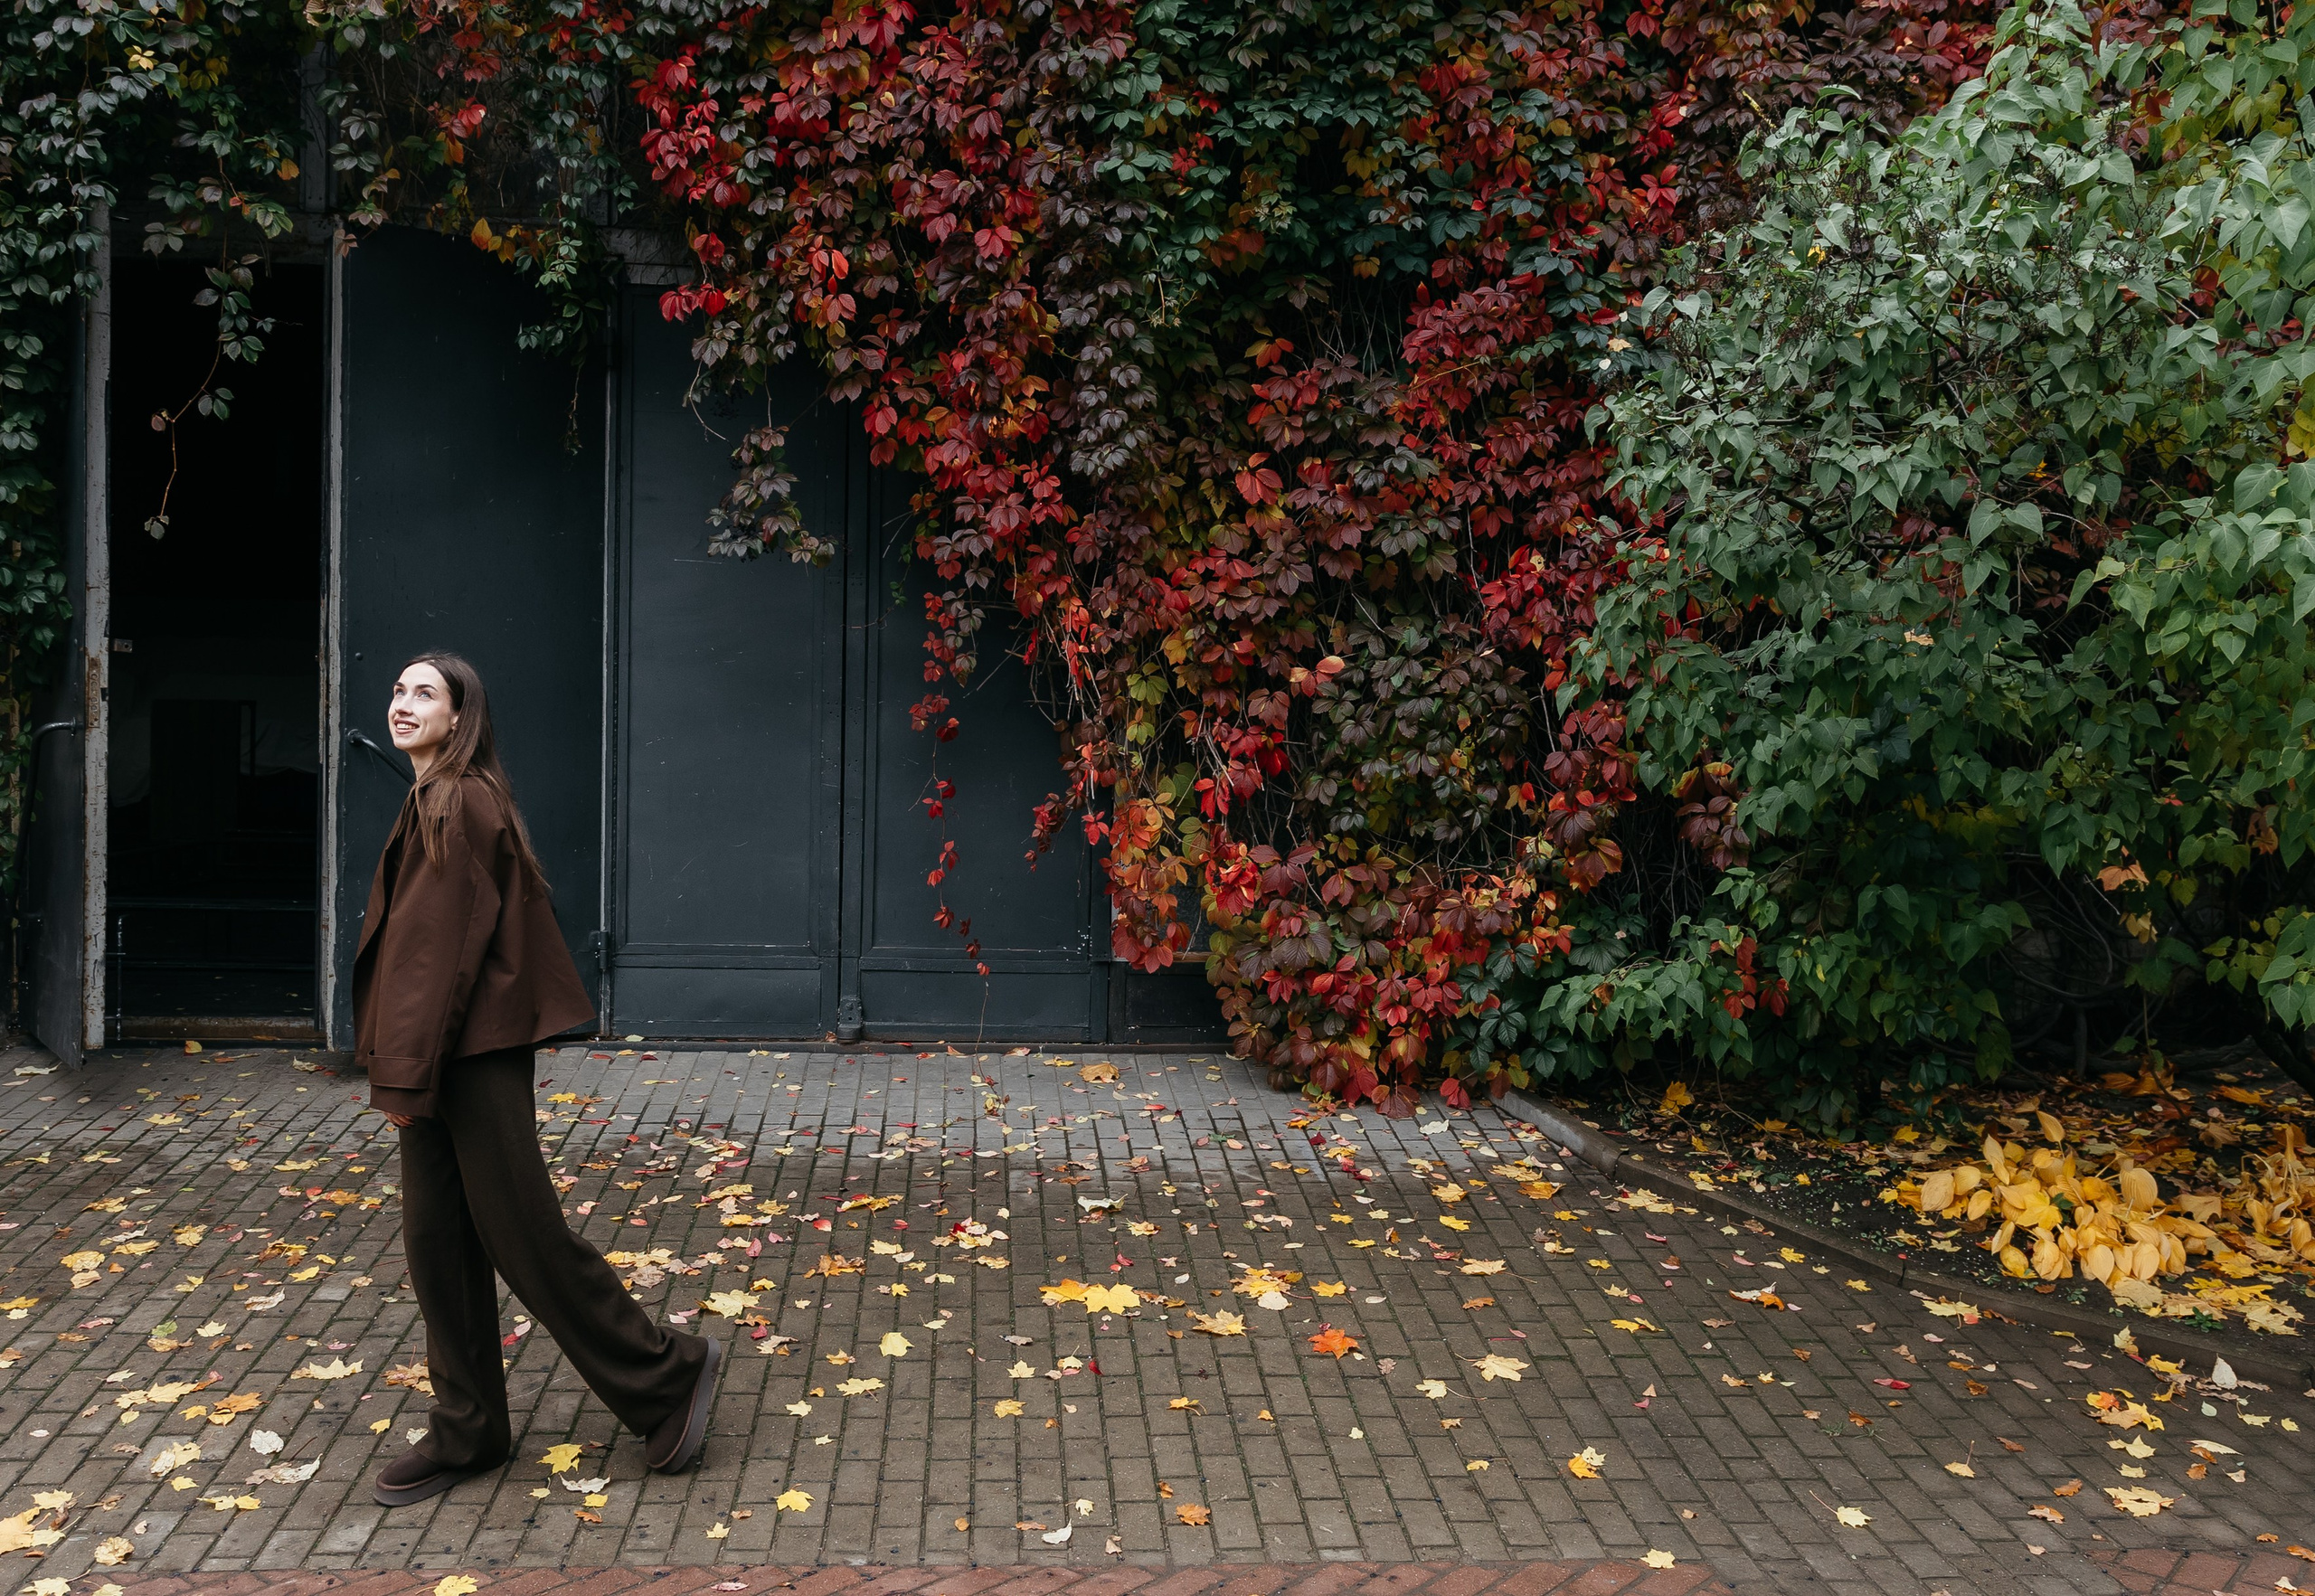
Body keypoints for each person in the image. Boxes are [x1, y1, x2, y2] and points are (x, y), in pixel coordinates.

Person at [353, 652, 723, 1506]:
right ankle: (470, 1427)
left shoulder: (456, 800)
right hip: (450, 1055)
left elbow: (433, 962)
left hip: (468, 1058)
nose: (404, 704)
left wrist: (406, 1080)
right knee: (437, 1242)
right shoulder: (438, 796)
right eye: (401, 690)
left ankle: (668, 1375)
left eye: (425, 694)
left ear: (461, 715)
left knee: (523, 1236)